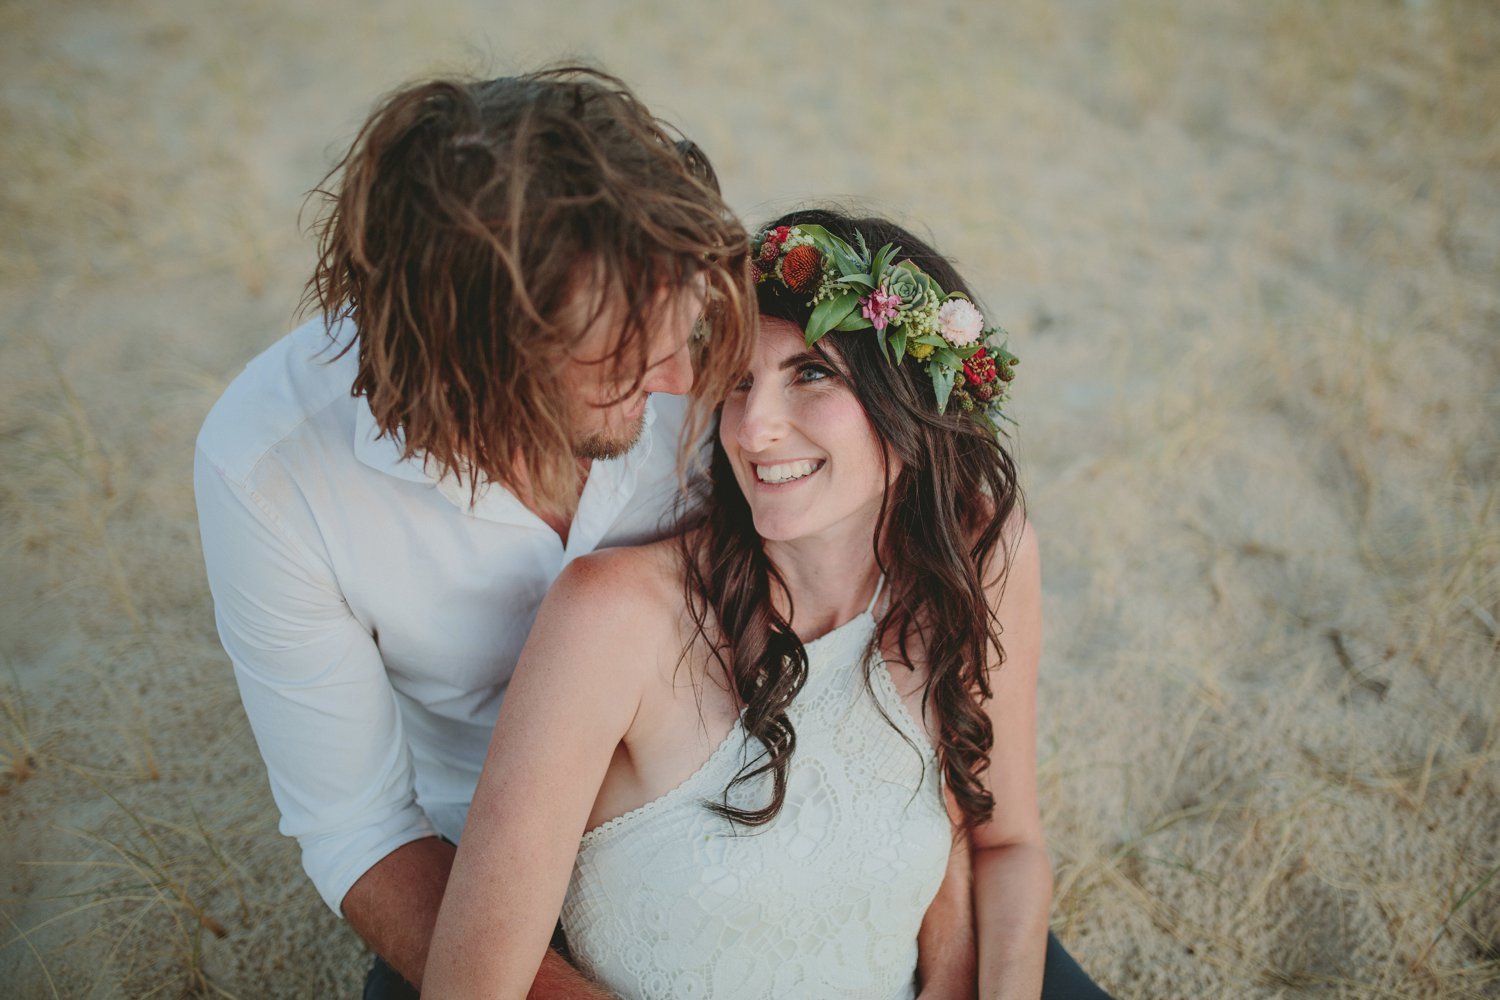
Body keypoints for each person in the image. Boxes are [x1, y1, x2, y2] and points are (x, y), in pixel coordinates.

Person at [424, 210, 1113, 999]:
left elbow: (1009, 846)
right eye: (738, 382)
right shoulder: (610, 618)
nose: (755, 429)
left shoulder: (981, 559)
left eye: (811, 373)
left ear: (912, 396)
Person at [193, 67, 759, 997]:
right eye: (622, 365)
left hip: (751, 779)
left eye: (682, 332)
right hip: (486, 864)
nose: (675, 384)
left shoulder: (685, 312)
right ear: (483, 373)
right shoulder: (271, 470)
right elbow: (362, 830)